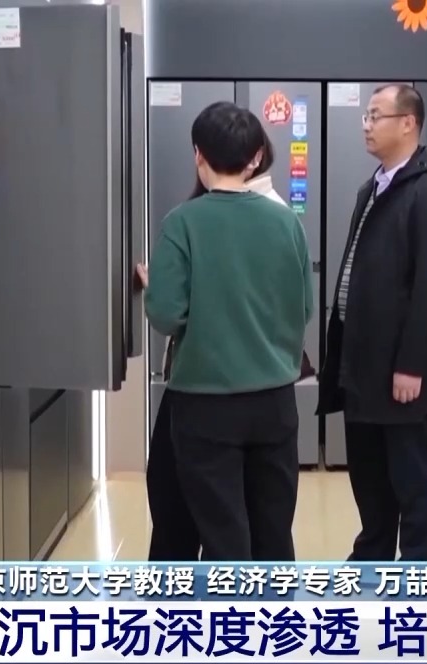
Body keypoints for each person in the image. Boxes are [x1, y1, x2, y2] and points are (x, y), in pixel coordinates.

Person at [140, 102, 314, 561]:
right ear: (256, 157)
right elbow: (304, 308)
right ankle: (275, 608)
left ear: (198, 154)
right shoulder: (286, 222)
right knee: (273, 531)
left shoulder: (183, 222)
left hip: (206, 405)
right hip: (275, 403)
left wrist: (158, 288)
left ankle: (227, 609)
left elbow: (166, 315)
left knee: (222, 534)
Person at [317, 83, 427, 562]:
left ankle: (418, 567)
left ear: (408, 123)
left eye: (375, 116)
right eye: (365, 116)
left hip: (400, 366)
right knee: (368, 469)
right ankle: (373, 555)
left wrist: (412, 365)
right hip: (360, 358)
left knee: (411, 473)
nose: (366, 125)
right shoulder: (374, 186)